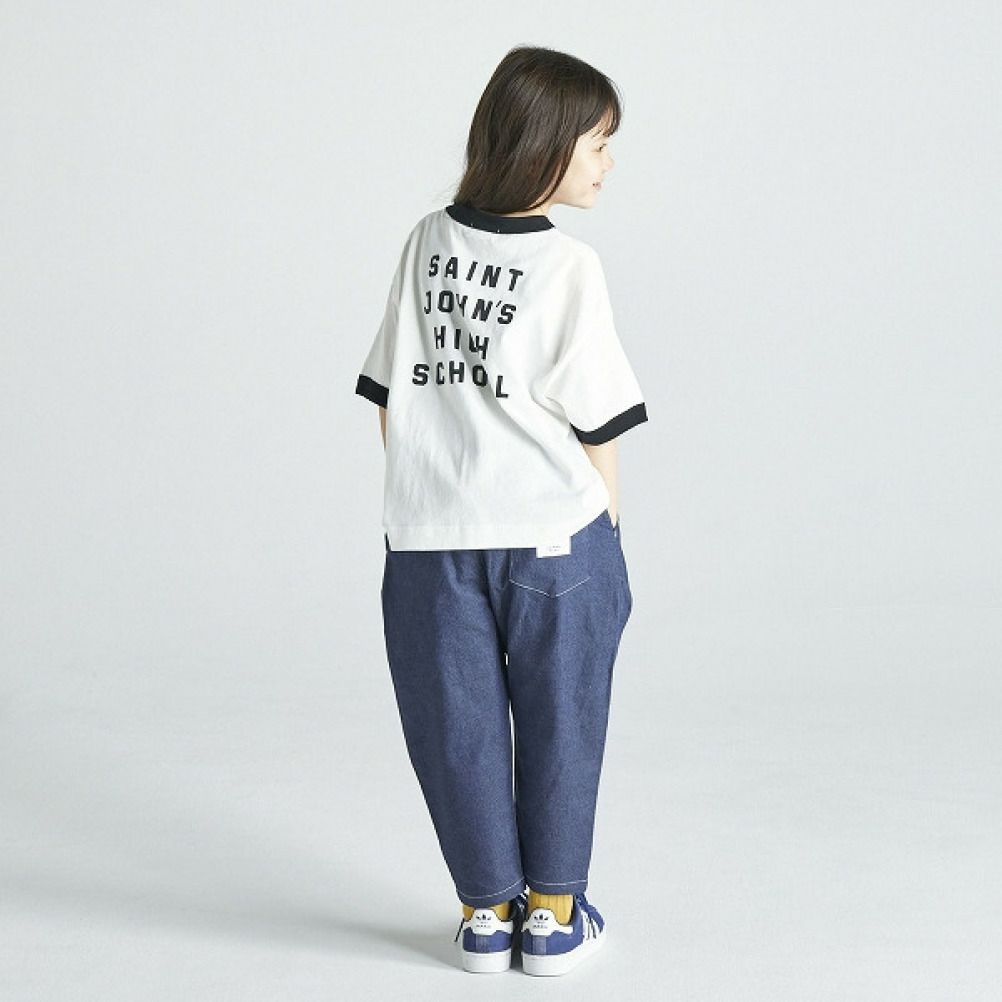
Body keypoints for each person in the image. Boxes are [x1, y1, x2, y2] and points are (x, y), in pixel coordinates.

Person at [354, 44, 648, 976]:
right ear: (548, 144)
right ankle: (553, 917)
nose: (608, 163)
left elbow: (391, 397)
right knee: (564, 718)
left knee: (455, 725)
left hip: (430, 539)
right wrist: (609, 531)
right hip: (555, 539)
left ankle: (486, 913)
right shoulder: (568, 266)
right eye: (598, 144)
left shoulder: (424, 243)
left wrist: (432, 493)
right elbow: (598, 422)